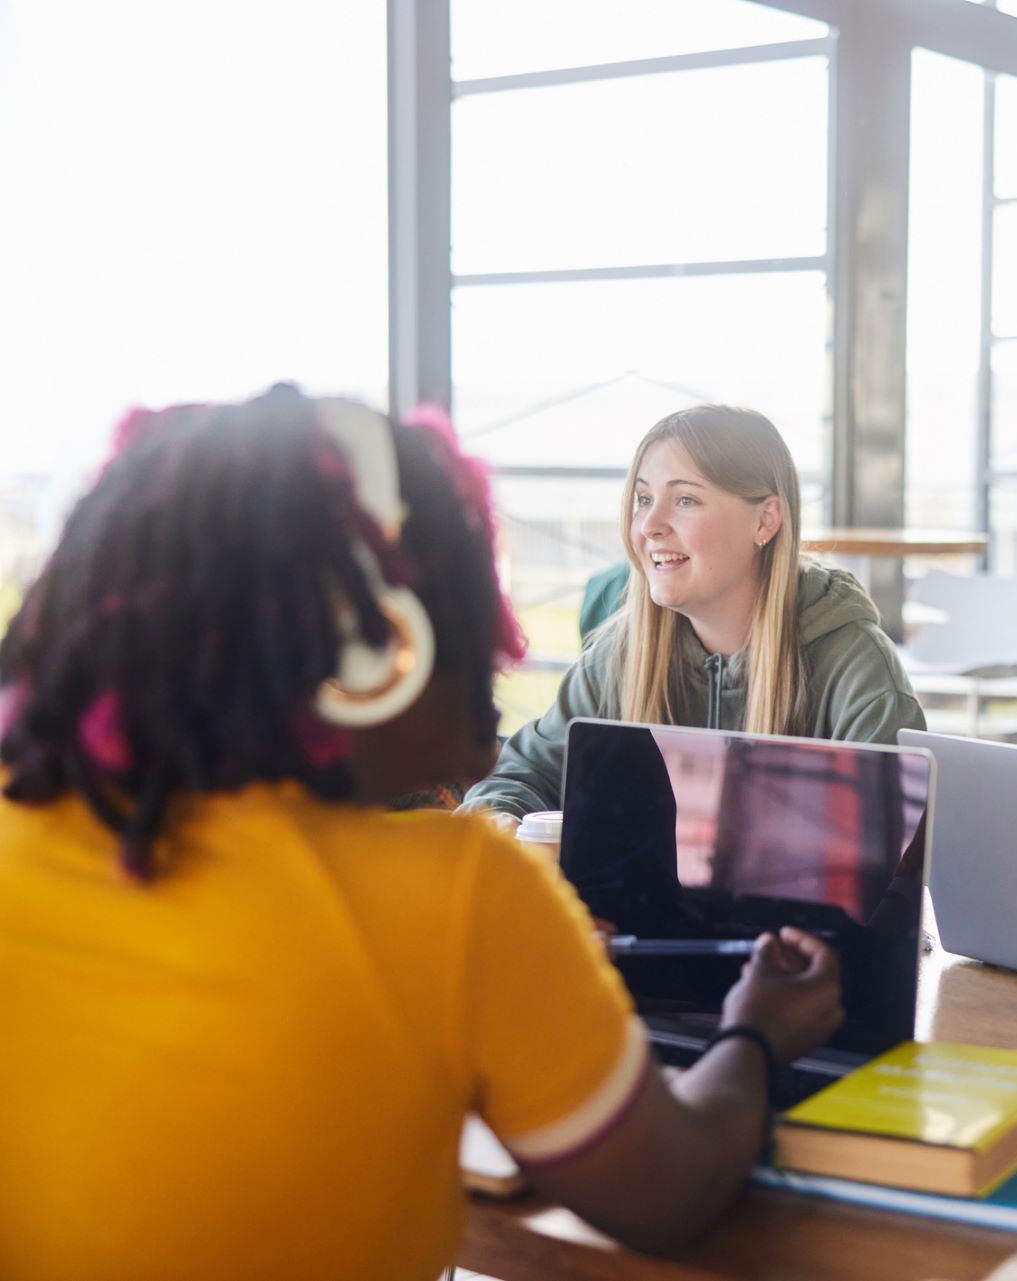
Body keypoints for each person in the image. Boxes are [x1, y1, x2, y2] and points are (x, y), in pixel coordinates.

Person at [0, 387, 844, 1281]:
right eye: (463, 601)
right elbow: (671, 1189)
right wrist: (754, 1031)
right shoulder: (458, 889)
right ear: (377, 653)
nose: (496, 653)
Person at [461, 404, 925, 822]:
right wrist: (498, 817)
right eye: (644, 499)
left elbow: (897, 865)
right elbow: (518, 777)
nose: (649, 525)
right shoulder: (621, 654)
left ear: (765, 521)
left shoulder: (855, 667)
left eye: (685, 500)